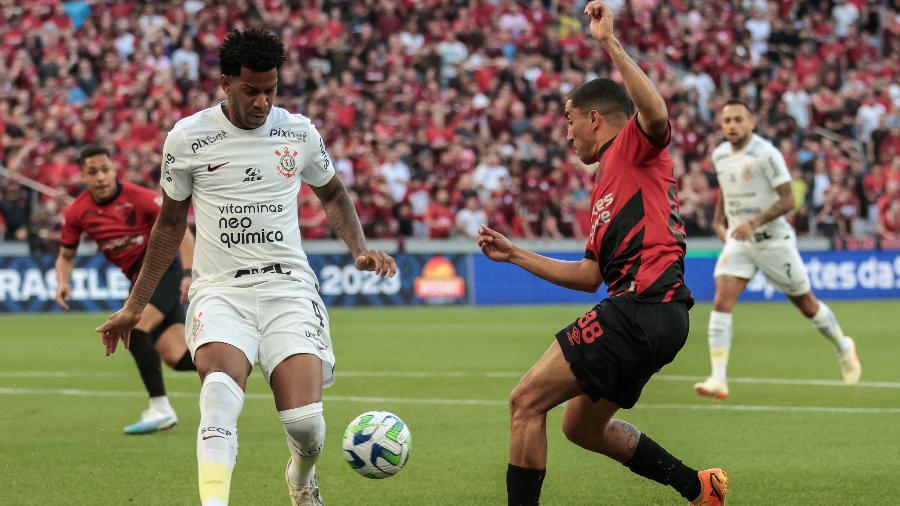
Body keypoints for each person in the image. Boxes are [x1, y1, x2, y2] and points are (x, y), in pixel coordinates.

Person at [96, 28, 397, 506]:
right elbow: (170, 225)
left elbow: (334, 194)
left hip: (289, 287)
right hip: (219, 292)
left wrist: (358, 247)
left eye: (270, 90)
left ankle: (301, 478)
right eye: (250, 90)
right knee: (218, 396)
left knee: (305, 424)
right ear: (225, 84)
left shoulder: (297, 132)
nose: (261, 102)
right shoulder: (188, 137)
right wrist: (137, 305)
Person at [477, 3, 727, 505]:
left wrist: (609, 43)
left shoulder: (633, 147)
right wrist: (516, 254)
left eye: (570, 121)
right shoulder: (606, 181)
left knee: (525, 402)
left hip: (643, 306)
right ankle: (699, 488)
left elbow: (656, 114)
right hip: (658, 316)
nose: (566, 134)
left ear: (595, 118)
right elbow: (590, 274)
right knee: (582, 428)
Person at [693, 100, 862, 401]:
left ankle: (843, 345)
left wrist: (754, 222)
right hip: (741, 243)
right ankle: (718, 378)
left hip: (774, 241)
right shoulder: (720, 155)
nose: (731, 125)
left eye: (737, 119)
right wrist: (721, 222)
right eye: (726, 120)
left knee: (807, 305)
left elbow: (788, 201)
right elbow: (726, 191)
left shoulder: (766, 154)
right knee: (721, 301)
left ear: (751, 123)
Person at [55, 144, 196, 435]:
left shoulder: (140, 198)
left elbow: (180, 230)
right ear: (82, 176)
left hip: (164, 269)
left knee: (136, 328)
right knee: (178, 358)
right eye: (93, 172)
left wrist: (187, 273)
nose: (101, 177)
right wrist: (63, 282)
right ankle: (251, 351)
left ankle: (160, 409)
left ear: (114, 169)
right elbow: (66, 255)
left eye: (105, 169)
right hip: (139, 280)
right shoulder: (77, 211)